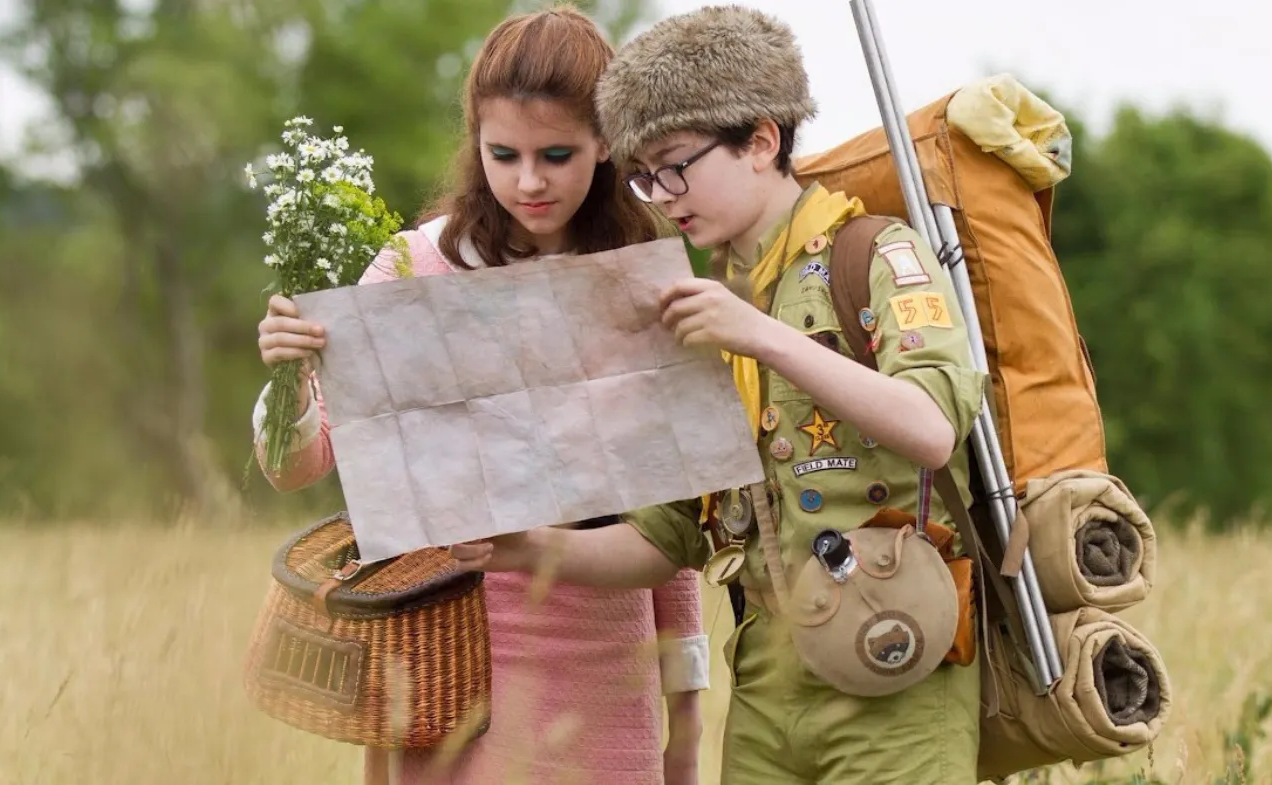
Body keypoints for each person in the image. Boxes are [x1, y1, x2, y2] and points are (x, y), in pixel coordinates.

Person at [452, 5, 987, 784]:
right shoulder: (702, 307)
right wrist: (525, 550)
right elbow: (667, 538)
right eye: (643, 175)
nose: (663, 195)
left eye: (677, 166)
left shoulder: (873, 254)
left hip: (894, 651)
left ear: (762, 140)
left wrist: (762, 336)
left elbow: (933, 427)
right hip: (769, 679)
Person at [250, 7, 707, 785]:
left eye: (555, 154)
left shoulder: (643, 276)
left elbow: (671, 529)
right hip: (438, 657)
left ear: (605, 142)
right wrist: (290, 377)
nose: (528, 181)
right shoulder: (414, 266)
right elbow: (297, 464)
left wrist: (686, 724)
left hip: (601, 656)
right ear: (476, 141)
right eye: (504, 154)